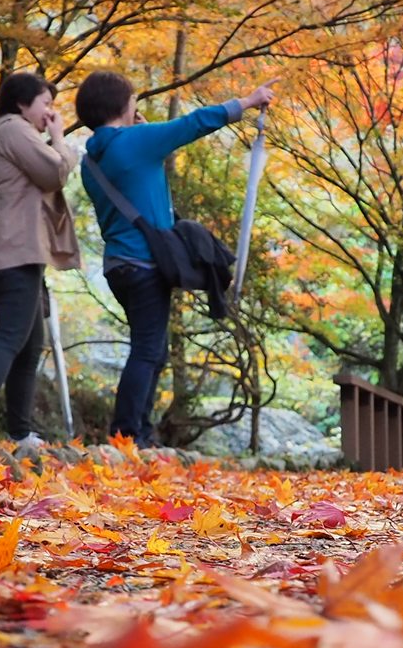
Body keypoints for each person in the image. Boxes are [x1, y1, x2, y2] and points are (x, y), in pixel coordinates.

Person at [75, 69, 276, 445]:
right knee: (148, 349)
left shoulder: (92, 161)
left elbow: (138, 175)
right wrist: (247, 102)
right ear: (123, 105)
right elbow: (192, 124)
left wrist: (142, 131)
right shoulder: (135, 143)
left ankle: (140, 431)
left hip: (118, 266)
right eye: (133, 99)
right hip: (145, 265)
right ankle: (127, 434)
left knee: (153, 348)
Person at [0, 72, 79, 451]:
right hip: (15, 251)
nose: (50, 113)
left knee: (29, 340)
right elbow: (54, 172)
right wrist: (59, 139)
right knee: (10, 336)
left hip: (15, 251)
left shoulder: (4, 132)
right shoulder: (14, 130)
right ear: (23, 104)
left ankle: (19, 430)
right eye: (46, 104)